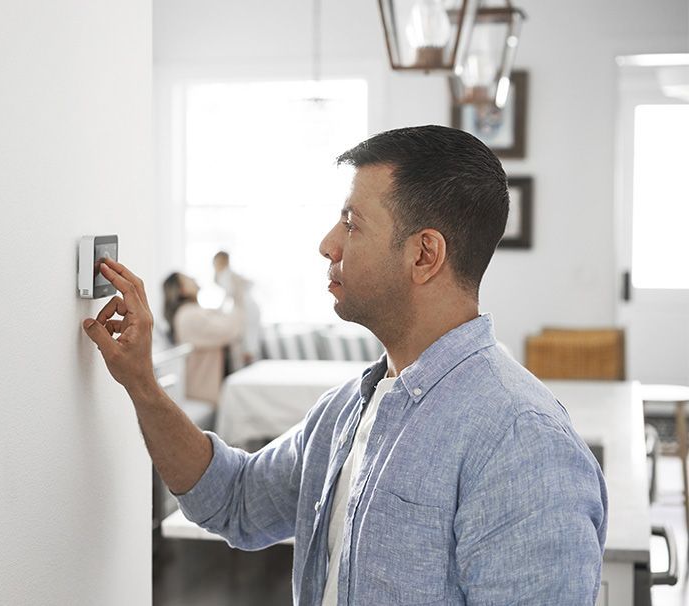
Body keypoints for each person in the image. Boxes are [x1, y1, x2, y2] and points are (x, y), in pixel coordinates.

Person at [83, 125, 607, 604]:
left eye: (351, 224)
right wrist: (142, 383)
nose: (327, 244)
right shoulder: (346, 411)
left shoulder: (522, 442)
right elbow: (233, 500)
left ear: (424, 255)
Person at [161, 271, 243, 405]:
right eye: (188, 278)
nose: (194, 278)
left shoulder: (194, 312)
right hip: (203, 395)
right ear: (182, 290)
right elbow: (229, 330)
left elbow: (220, 318)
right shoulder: (188, 315)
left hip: (209, 391)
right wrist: (237, 296)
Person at [213, 251, 262, 367]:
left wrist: (219, 311)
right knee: (250, 340)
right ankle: (250, 363)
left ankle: (247, 365)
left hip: (246, 308)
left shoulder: (226, 274)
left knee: (246, 340)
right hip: (249, 307)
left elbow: (228, 294)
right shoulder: (230, 274)